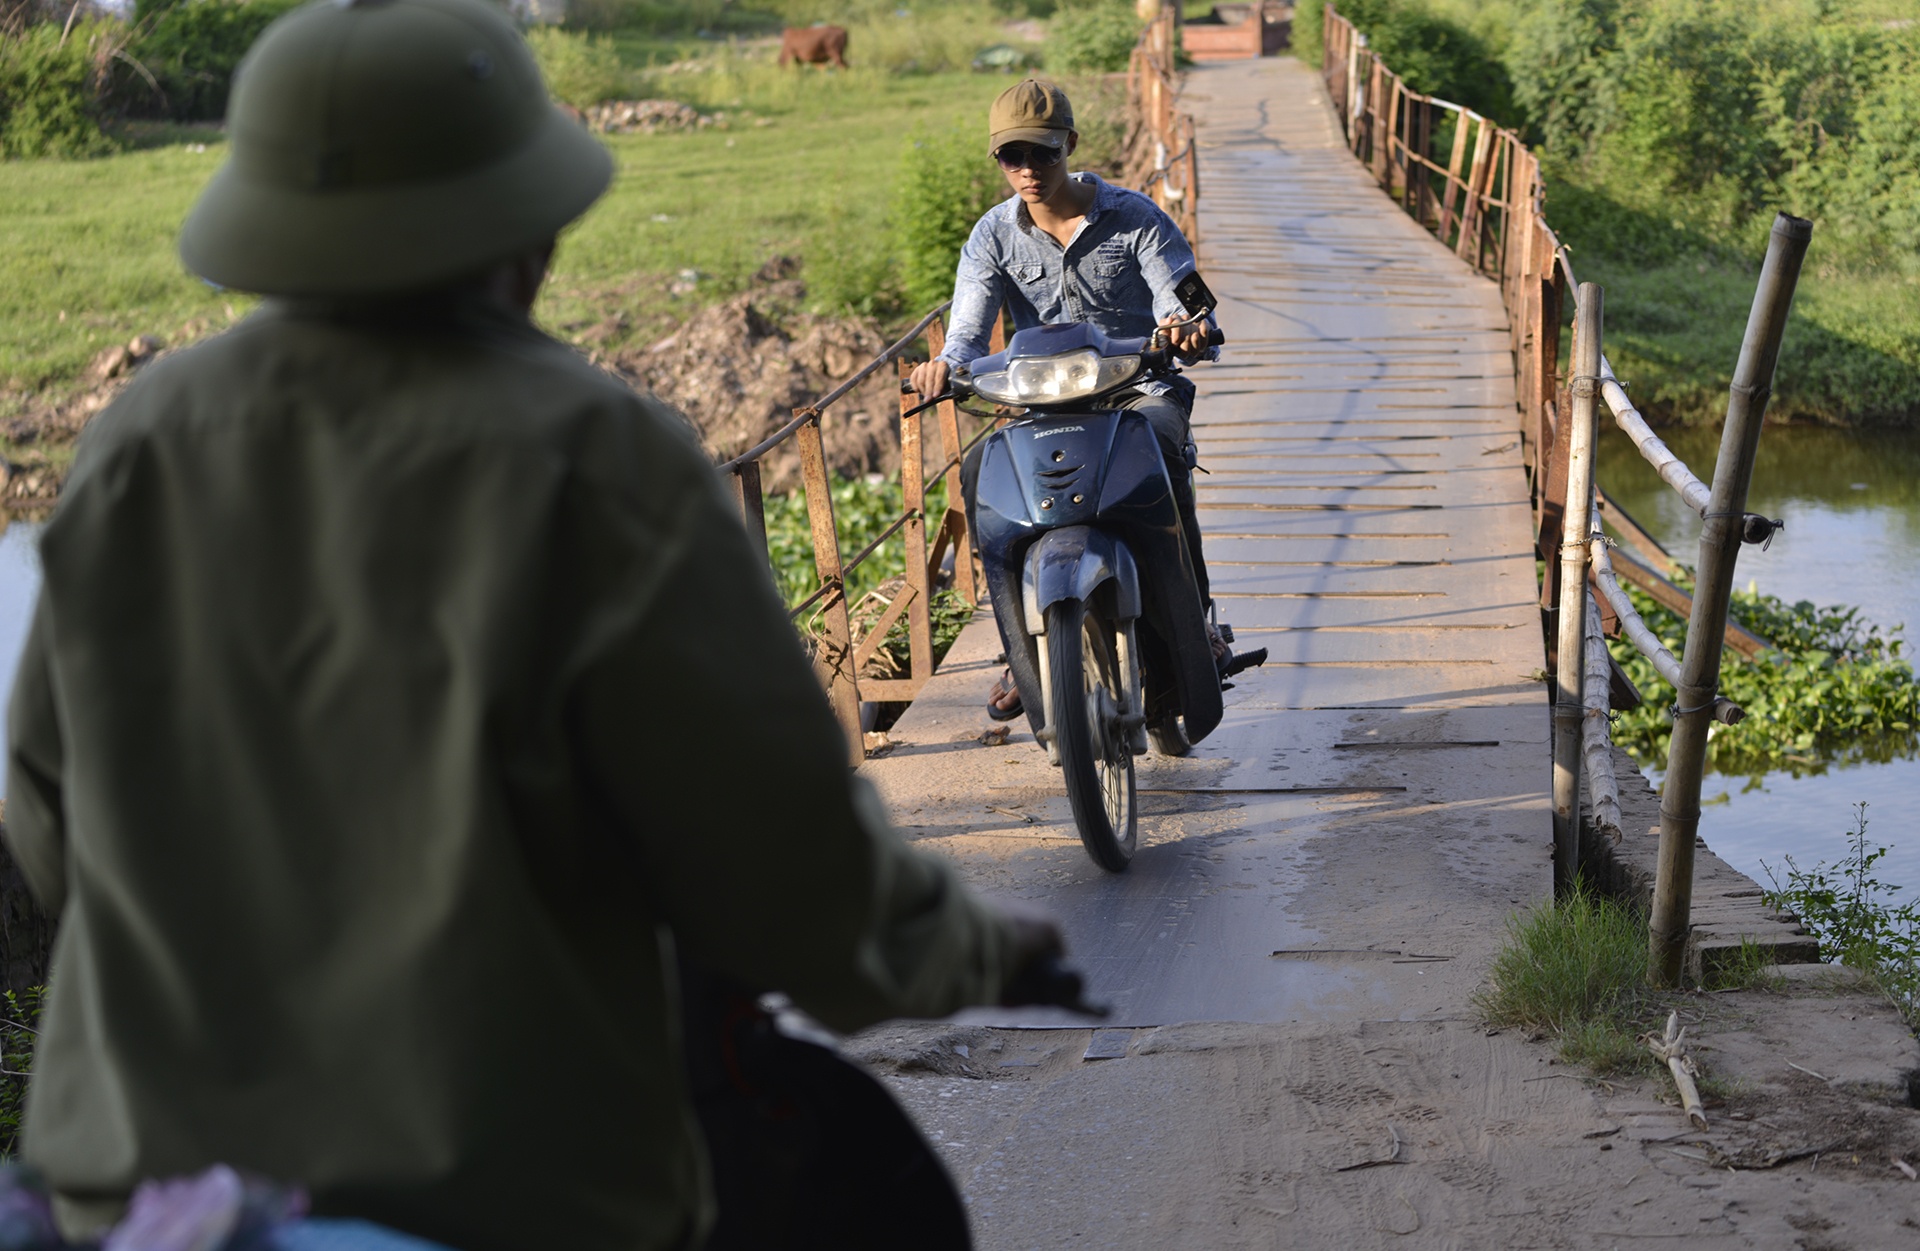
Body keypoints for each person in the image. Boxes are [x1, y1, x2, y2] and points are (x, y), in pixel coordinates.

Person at [0, 2, 1061, 1249]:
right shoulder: (603, 456)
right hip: (503, 1194)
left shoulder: (139, 438)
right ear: (527, 229)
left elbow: (47, 815)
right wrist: (968, 952)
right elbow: (787, 868)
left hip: (137, 1189)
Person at [907, 79, 1221, 719]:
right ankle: (1022, 649)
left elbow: (1184, 300)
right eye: (1011, 156)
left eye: (1042, 153)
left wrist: (1187, 329)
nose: (1028, 169)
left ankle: (1197, 623)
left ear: (1070, 145)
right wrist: (945, 367)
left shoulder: (1137, 217)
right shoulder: (992, 236)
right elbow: (966, 333)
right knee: (978, 470)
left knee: (1164, 449)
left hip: (1136, 391)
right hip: (1043, 404)